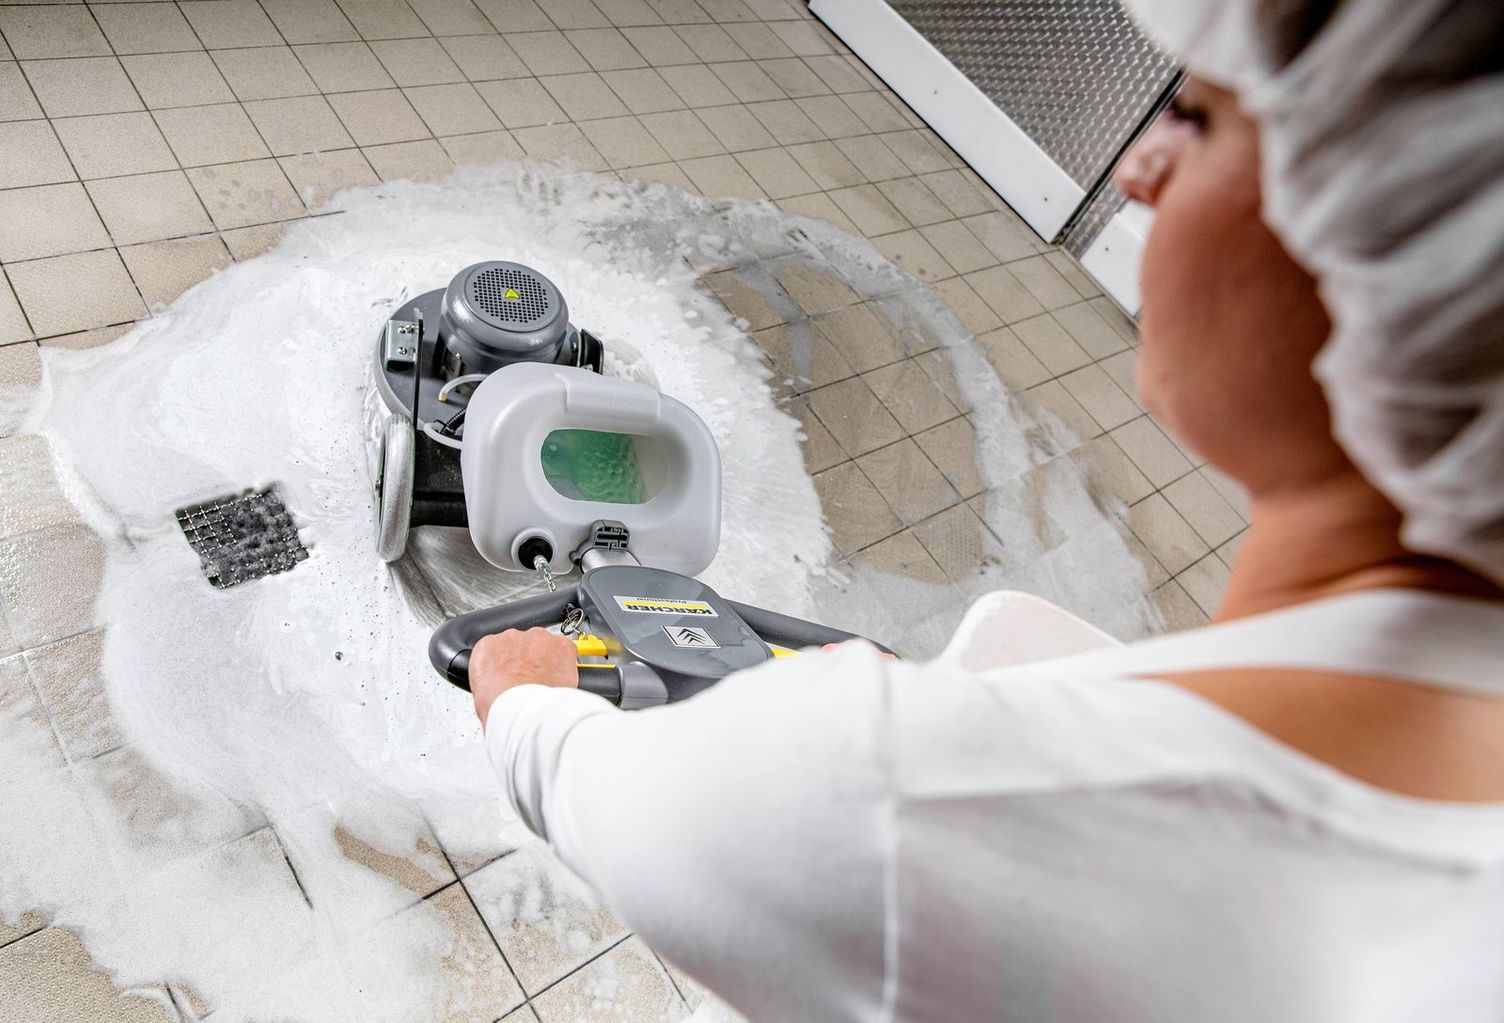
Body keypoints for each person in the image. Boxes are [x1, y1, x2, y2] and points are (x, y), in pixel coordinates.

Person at [468, 1, 1504, 1019]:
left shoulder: (866, 795)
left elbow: (618, 793)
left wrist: (524, 696)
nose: (1138, 171)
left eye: (1198, 116)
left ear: (1403, 246)